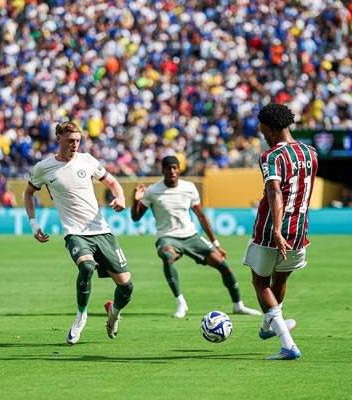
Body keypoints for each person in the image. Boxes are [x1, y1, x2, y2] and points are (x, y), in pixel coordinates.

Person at [23, 121, 133, 345]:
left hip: (101, 230)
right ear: (59, 139)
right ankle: (81, 316)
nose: (75, 145)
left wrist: (120, 197)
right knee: (86, 266)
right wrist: (33, 225)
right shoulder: (44, 167)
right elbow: (28, 193)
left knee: (126, 286)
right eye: (70, 140)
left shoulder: (87, 160)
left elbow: (112, 182)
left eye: (78, 141)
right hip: (75, 232)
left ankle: (113, 314)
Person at [131, 156, 261, 318]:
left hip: (191, 236)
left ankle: (238, 305)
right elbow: (136, 217)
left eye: (175, 167)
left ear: (179, 169)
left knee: (223, 265)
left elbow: (201, 216)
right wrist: (135, 201)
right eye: (168, 168)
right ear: (163, 170)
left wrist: (216, 244)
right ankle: (181, 303)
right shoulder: (152, 191)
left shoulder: (189, 188)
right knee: (167, 257)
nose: (172, 171)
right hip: (167, 237)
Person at [242, 103, 318, 360]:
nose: (262, 135)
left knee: (260, 282)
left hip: (270, 230)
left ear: (271, 129)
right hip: (299, 230)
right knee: (281, 279)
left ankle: (288, 344)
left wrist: (276, 228)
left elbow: (275, 191)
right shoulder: (311, 153)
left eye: (263, 130)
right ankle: (269, 326)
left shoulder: (271, 156)